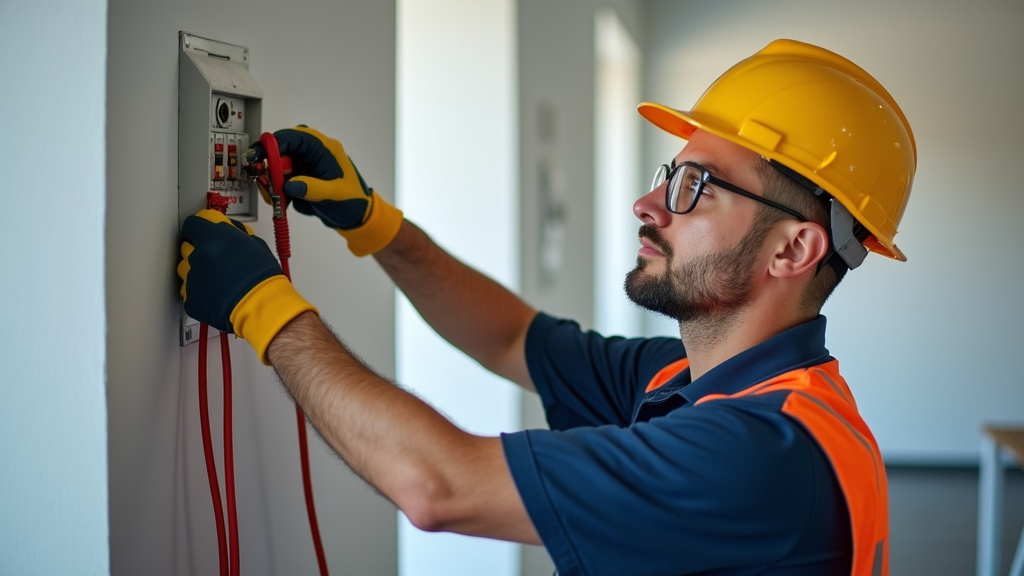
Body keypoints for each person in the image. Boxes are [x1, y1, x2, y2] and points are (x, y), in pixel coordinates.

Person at [178, 39, 915, 575]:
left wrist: (265, 308)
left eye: (695, 187)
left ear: (793, 249)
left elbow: (437, 486)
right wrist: (374, 222)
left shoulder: (757, 453)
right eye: (669, 173)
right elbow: (511, 337)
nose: (647, 203)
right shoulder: (691, 380)